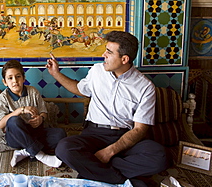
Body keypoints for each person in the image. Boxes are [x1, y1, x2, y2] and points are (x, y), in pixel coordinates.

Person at [46, 31, 169, 185]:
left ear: (124, 59)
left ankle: (94, 171)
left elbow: (139, 130)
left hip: (125, 138)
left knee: (160, 157)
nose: (103, 55)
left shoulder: (145, 87)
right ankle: (119, 179)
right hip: (94, 134)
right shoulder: (97, 71)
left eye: (109, 52)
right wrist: (56, 74)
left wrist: (109, 152)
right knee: (63, 148)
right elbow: (79, 89)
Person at [0, 60, 66, 168]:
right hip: (15, 137)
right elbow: (0, 124)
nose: (15, 81)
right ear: (5, 82)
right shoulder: (3, 97)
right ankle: (41, 155)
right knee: (14, 121)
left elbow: (44, 111)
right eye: (10, 78)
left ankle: (24, 152)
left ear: (23, 78)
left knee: (60, 134)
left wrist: (40, 119)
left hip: (34, 132)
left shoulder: (32, 91)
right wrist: (19, 110)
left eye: (18, 76)